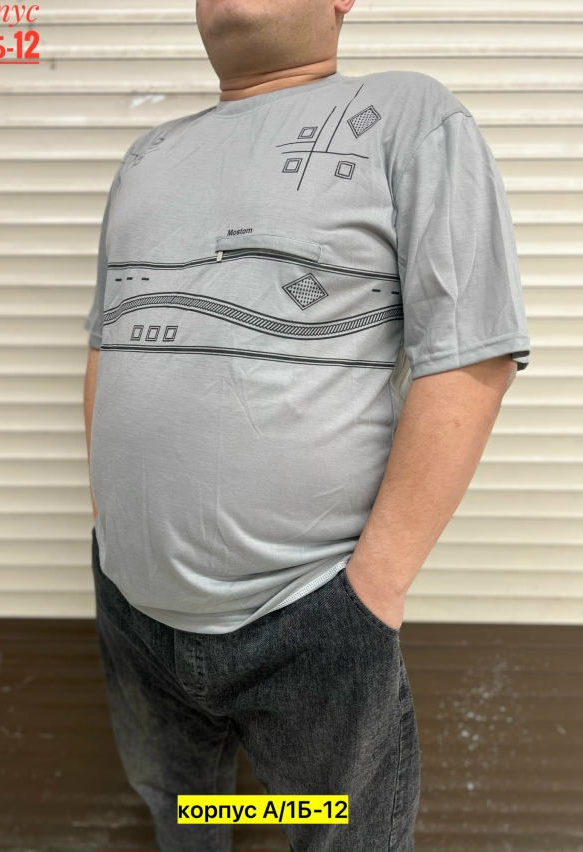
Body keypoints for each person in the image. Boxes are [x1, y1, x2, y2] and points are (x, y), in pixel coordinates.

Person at [82, 0, 531, 849]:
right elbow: (110, 342)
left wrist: (373, 589)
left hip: (311, 617)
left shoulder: (407, 114)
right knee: (186, 814)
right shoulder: (148, 156)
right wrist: (115, 525)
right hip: (133, 606)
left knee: (334, 832)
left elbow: (471, 356)